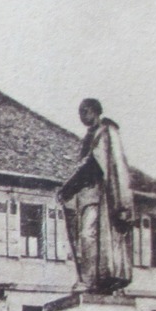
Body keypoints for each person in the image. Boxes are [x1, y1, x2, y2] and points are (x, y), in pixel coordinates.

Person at [59, 98, 135, 294]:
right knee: (86, 236)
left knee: (88, 235)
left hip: (101, 195)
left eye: (84, 112)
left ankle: (90, 280)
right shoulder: (90, 135)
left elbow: (95, 162)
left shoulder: (105, 132)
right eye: (80, 113)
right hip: (88, 194)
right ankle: (92, 278)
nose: (82, 117)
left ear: (94, 111)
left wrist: (70, 186)